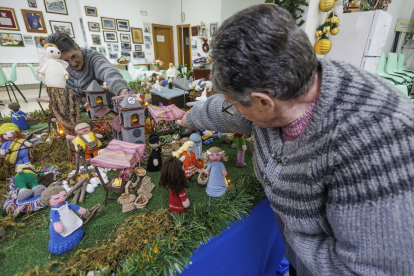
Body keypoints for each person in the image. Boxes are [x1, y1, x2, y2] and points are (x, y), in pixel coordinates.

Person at [176, 4, 414, 276]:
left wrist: (293, 229)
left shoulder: (380, 142)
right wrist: (189, 118)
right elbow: (230, 111)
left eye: (236, 103)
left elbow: (369, 269)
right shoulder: (288, 89)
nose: (233, 108)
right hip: (297, 261)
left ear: (264, 103)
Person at [45, 33, 130, 103]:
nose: (73, 64)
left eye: (74, 56)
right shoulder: (58, 66)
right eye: (65, 61)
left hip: (110, 103)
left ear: (78, 48)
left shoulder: (93, 57)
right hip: (83, 107)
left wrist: (121, 89)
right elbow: (62, 92)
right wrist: (82, 99)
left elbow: (107, 71)